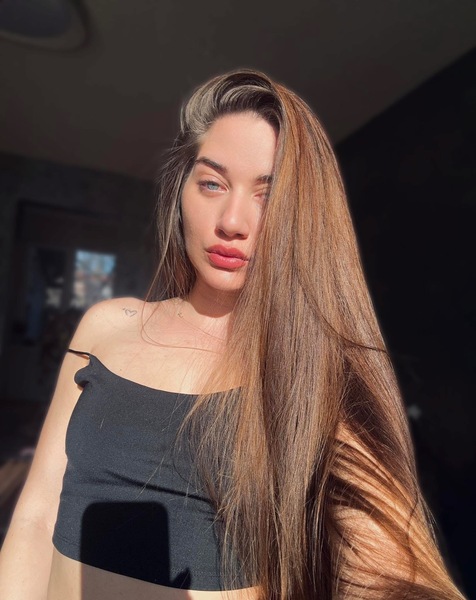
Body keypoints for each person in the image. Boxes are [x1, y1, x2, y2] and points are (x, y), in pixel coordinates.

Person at [0, 70, 466, 600]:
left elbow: (391, 576)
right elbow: (37, 513)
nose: (232, 221)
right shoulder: (105, 325)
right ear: (181, 192)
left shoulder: (310, 374)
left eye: (269, 196)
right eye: (212, 184)